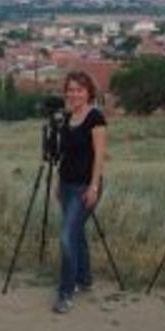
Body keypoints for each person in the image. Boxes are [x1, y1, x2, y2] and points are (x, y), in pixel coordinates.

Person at [53, 71, 106, 314]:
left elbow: (99, 155)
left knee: (66, 237)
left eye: (79, 90)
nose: (74, 94)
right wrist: (57, 182)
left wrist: (94, 186)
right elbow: (64, 156)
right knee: (77, 234)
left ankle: (66, 291)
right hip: (66, 184)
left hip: (85, 186)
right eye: (71, 89)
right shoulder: (66, 118)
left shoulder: (95, 118)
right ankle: (84, 278)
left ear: (89, 93)